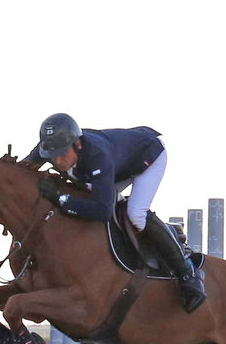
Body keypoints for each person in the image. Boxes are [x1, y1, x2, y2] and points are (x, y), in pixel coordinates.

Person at [31, 113, 205, 312]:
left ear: (77, 144)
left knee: (135, 214)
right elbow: (23, 168)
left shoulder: (97, 157)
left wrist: (61, 200)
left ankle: (186, 270)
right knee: (89, 195)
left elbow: (103, 211)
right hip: (116, 166)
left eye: (62, 154)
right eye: (52, 155)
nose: (57, 160)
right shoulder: (50, 146)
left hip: (148, 157)